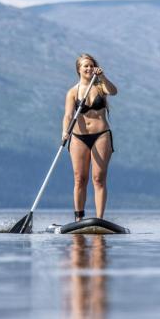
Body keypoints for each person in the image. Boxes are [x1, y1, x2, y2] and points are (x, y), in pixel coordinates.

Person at [63, 53, 119, 222]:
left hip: (101, 135)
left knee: (98, 178)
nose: (88, 68)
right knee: (80, 178)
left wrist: (102, 77)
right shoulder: (73, 92)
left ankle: (99, 219)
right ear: (78, 69)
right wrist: (65, 131)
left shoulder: (101, 87)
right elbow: (67, 115)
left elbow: (114, 91)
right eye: (85, 66)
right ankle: (79, 218)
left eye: (91, 65)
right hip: (79, 137)